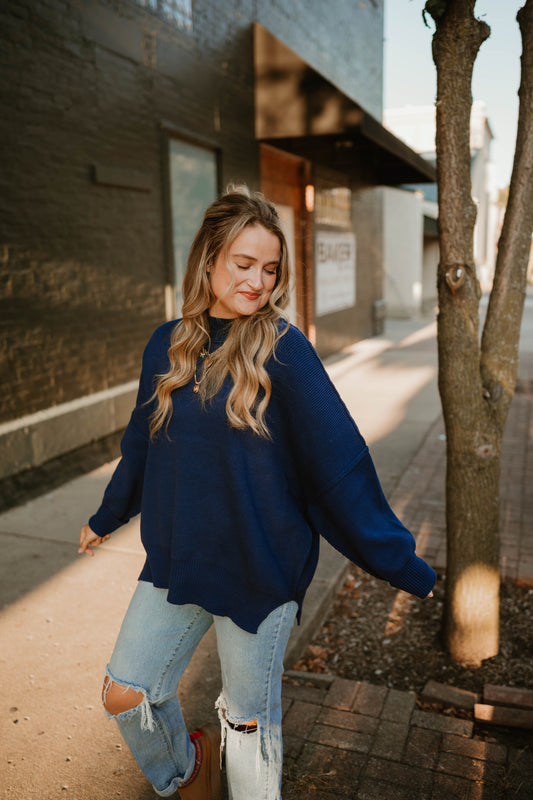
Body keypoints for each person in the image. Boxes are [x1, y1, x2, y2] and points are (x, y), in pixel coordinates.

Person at [79, 185, 436, 800]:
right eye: (243, 264)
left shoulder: (284, 350)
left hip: (259, 571)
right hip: (179, 561)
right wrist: (109, 514)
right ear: (210, 260)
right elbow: (141, 445)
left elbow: (341, 468)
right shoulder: (167, 344)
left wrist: (401, 563)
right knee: (126, 692)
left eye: (269, 270)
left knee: (247, 725)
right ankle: (188, 775)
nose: (256, 282)